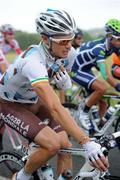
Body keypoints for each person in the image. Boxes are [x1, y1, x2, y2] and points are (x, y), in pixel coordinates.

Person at [0, 9, 108, 180]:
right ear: (44, 38)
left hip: (34, 99)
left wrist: (64, 85)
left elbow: (56, 84)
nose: (68, 45)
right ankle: (20, 176)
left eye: (70, 39)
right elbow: (55, 107)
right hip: (11, 104)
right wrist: (86, 141)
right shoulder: (33, 61)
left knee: (65, 145)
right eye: (63, 40)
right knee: (53, 145)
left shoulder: (70, 53)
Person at [71, 18, 120, 131]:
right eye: (118, 39)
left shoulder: (114, 45)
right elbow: (105, 74)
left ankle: (99, 126)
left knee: (103, 103)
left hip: (87, 68)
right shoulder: (100, 48)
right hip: (76, 69)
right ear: (109, 37)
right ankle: (83, 114)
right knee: (102, 88)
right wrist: (117, 86)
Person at [0, 24, 22, 151]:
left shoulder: (13, 41)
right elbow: (3, 65)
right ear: (3, 33)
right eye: (9, 34)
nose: (12, 36)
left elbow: (21, 56)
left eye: (13, 34)